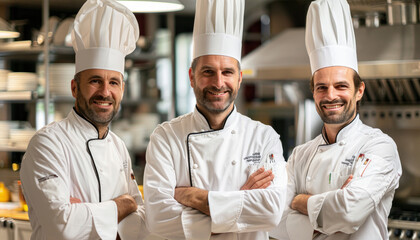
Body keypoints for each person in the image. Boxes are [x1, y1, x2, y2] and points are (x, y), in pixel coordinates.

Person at [143, 0, 287, 239]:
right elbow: (157, 218)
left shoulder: (264, 137)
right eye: (208, 72)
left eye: (227, 72)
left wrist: (194, 197)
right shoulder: (166, 137)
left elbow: (271, 212)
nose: (219, 83)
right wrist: (239, 199)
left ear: (239, 78)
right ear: (191, 76)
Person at [270, 0, 402, 239]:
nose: (330, 96)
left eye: (341, 86)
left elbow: (348, 212)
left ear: (359, 90)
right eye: (322, 87)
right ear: (313, 92)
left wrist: (298, 201)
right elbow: (274, 219)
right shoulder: (301, 154)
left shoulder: (379, 146)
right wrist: (328, 210)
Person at [20, 0, 149, 239]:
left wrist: (84, 213)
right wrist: (123, 205)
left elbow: (143, 224)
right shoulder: (48, 144)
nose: (105, 92)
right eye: (95, 81)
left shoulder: (118, 147)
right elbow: (62, 226)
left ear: (122, 89)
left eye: (114, 83)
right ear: (74, 87)